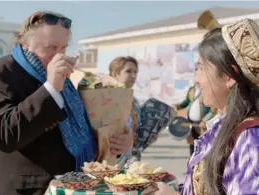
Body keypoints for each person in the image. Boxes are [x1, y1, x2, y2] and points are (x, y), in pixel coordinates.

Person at [0, 11, 132, 195]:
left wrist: (119, 143)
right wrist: (50, 88)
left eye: (63, 48)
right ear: (25, 43)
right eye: (51, 48)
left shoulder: (67, 80)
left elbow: (82, 131)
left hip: (72, 186)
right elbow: (4, 136)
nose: (59, 56)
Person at [145, 19, 259, 195]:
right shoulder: (226, 128)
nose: (196, 79)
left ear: (229, 76)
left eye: (201, 68)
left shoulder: (249, 141)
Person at [107, 56, 142, 165]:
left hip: (130, 159)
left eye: (135, 72)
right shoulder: (104, 99)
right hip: (110, 160)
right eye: (128, 71)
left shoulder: (134, 102)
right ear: (115, 74)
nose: (133, 75)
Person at [175, 85, 216, 155]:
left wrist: (205, 120)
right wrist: (178, 107)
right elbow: (187, 102)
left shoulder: (208, 90)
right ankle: (193, 164)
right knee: (192, 145)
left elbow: (213, 109)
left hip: (202, 124)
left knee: (203, 145)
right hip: (190, 122)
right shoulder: (192, 90)